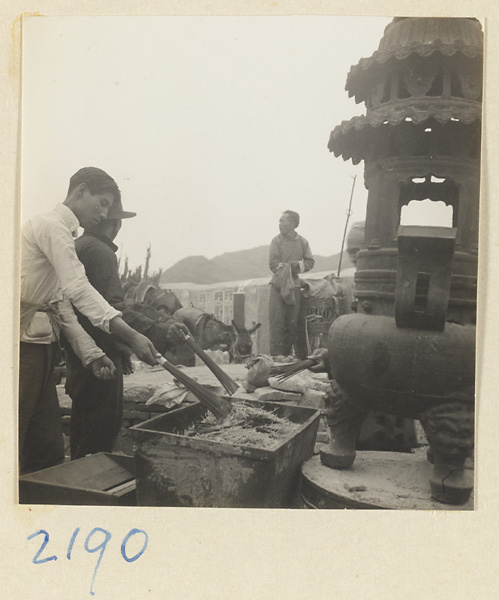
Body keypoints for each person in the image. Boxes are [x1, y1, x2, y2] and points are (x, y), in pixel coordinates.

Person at [19, 167, 159, 474]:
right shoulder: (50, 226)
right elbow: (79, 289)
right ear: (81, 191)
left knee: (47, 452)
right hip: (19, 349)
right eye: (103, 203)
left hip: (42, 349)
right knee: (15, 442)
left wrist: (92, 354)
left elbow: (61, 307)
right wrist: (132, 336)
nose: (106, 214)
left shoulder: (67, 237)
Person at [65, 201, 188, 459]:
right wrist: (156, 330)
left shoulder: (80, 246)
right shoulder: (99, 251)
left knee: (83, 435)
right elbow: (111, 307)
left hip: (82, 356)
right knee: (99, 438)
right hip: (103, 359)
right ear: (115, 223)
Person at [268, 210, 314, 361]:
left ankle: (286, 355)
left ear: (293, 224)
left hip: (294, 286)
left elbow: (310, 262)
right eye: (279, 221)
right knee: (277, 319)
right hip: (278, 285)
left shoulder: (302, 242)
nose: (279, 224)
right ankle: (276, 355)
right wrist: (286, 268)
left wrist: (297, 266)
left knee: (292, 321)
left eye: (282, 221)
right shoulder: (276, 241)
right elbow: (273, 263)